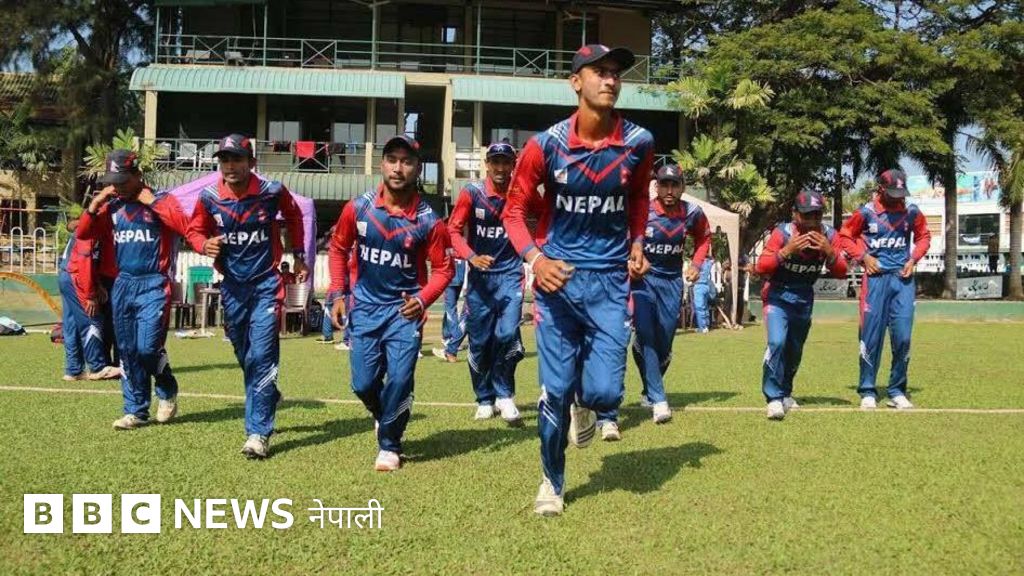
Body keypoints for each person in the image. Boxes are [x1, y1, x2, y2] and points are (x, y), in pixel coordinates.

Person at [503, 44, 653, 516]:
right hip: (558, 282)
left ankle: (585, 406)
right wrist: (535, 259)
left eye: (616, 73)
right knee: (554, 391)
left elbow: (639, 199)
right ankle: (552, 481)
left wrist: (637, 241)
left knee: (606, 393)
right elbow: (514, 212)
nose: (610, 80)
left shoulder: (639, 142)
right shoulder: (545, 145)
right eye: (599, 72)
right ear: (575, 82)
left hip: (609, 282)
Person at [328, 135, 454, 472]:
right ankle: (382, 414)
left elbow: (444, 269)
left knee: (399, 379)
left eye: (407, 161)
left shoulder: (429, 220)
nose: (398, 168)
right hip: (365, 309)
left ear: (418, 168)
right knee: (363, 384)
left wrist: (422, 299)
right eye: (392, 160)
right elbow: (338, 249)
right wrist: (338, 293)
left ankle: (390, 445)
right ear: (382, 164)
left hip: (403, 313)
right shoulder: (358, 208)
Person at [187, 134, 308, 458]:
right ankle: (270, 393)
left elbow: (294, 217)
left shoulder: (272, 192)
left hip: (267, 284)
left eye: (237, 159)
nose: (230, 166)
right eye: (225, 160)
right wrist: (203, 244)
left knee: (263, 355)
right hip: (232, 287)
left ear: (251, 162)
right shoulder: (210, 197)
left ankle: (258, 433)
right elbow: (194, 230)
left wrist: (298, 255)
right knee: (245, 355)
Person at [78, 150, 202, 429]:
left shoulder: (161, 200)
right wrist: (94, 204)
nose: (118, 186)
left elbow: (185, 227)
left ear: (138, 175)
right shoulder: (112, 207)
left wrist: (153, 202)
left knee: (147, 348)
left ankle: (167, 387)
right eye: (113, 181)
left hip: (154, 283)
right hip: (123, 284)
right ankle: (135, 410)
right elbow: (84, 234)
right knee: (127, 351)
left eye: (123, 180)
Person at [447, 142, 526, 425]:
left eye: (506, 162)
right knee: (479, 342)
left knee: (507, 335)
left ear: (513, 165)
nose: (501, 168)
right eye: (496, 162)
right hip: (480, 280)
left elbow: (545, 215)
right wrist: (471, 257)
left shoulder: (521, 192)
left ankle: (505, 394)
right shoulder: (472, 193)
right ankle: (484, 399)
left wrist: (539, 251)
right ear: (487, 164)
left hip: (511, 275)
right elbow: (453, 230)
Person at [839, 169, 931, 410]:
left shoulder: (911, 212)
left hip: (902, 280)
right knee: (871, 337)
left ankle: (897, 390)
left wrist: (913, 259)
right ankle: (867, 390)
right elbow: (844, 237)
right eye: (892, 193)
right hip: (875, 281)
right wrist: (863, 257)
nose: (897, 198)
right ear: (881, 189)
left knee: (903, 337)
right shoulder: (865, 213)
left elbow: (924, 236)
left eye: (901, 193)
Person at [628, 164, 710, 424]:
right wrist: (632, 262)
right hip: (643, 282)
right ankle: (659, 399)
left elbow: (704, 238)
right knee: (647, 334)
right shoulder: (643, 212)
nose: (670, 190)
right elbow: (624, 240)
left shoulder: (693, 213)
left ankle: (648, 389)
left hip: (672, 282)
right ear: (657, 186)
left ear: (683, 187)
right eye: (664, 184)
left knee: (663, 344)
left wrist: (696, 264)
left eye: (675, 185)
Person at [755, 190, 848, 420]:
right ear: (795, 214)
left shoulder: (830, 235)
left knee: (794, 350)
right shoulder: (782, 233)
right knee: (777, 342)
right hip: (778, 295)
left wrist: (829, 252)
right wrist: (786, 251)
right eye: (807, 215)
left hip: (804, 298)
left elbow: (842, 271)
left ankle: (786, 392)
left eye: (817, 215)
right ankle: (773, 397)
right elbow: (761, 266)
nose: (812, 221)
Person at [58, 217, 118, 381]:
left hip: (66, 275)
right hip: (76, 277)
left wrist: (97, 284)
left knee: (72, 325)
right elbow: (85, 264)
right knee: (92, 320)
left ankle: (73, 370)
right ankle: (98, 367)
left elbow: (87, 261)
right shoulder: (90, 232)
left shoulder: (86, 226)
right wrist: (90, 295)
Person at [432, 255, 467, 362]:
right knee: (451, 311)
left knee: (453, 311)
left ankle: (452, 341)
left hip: (454, 276)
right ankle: (447, 338)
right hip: (458, 275)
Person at [691, 258, 717, 332]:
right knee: (704, 307)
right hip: (706, 285)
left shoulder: (697, 263)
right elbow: (713, 260)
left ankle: (702, 327)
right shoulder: (708, 262)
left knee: (699, 308)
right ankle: (706, 325)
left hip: (699, 286)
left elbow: (691, 277)